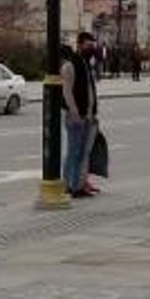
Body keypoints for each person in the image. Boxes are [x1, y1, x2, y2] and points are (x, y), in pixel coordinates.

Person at [61, 32, 100, 198]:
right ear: (79, 45)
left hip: (88, 116)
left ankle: (79, 184)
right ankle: (69, 185)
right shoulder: (70, 65)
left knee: (83, 153)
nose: (91, 49)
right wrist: (74, 111)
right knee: (74, 152)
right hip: (76, 117)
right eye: (88, 45)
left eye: (93, 46)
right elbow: (67, 91)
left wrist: (92, 113)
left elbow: (90, 91)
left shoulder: (85, 63)